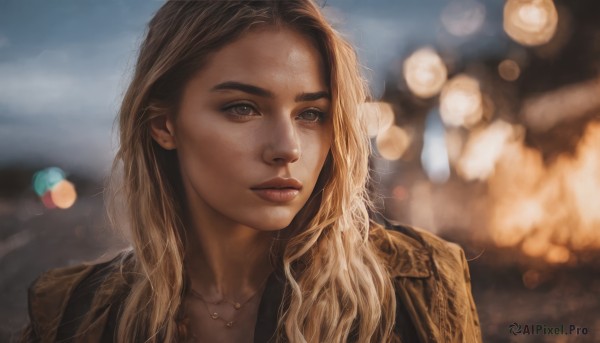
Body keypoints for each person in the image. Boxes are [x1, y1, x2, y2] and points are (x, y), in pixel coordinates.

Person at [20, 0, 482, 342]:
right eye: (242, 108)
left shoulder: (420, 286)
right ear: (164, 124)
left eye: (311, 114)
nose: (286, 148)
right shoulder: (72, 313)